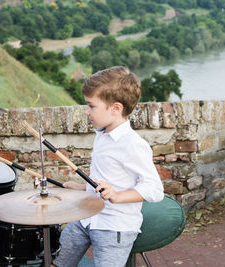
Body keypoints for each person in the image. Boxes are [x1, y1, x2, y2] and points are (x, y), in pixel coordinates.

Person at [52, 66, 164, 267]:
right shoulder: (101, 134)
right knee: (56, 262)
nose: (87, 111)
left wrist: (118, 195)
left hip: (114, 226)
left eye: (91, 106)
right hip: (86, 217)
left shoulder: (133, 145)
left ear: (115, 108)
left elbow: (155, 190)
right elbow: (107, 179)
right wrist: (82, 188)